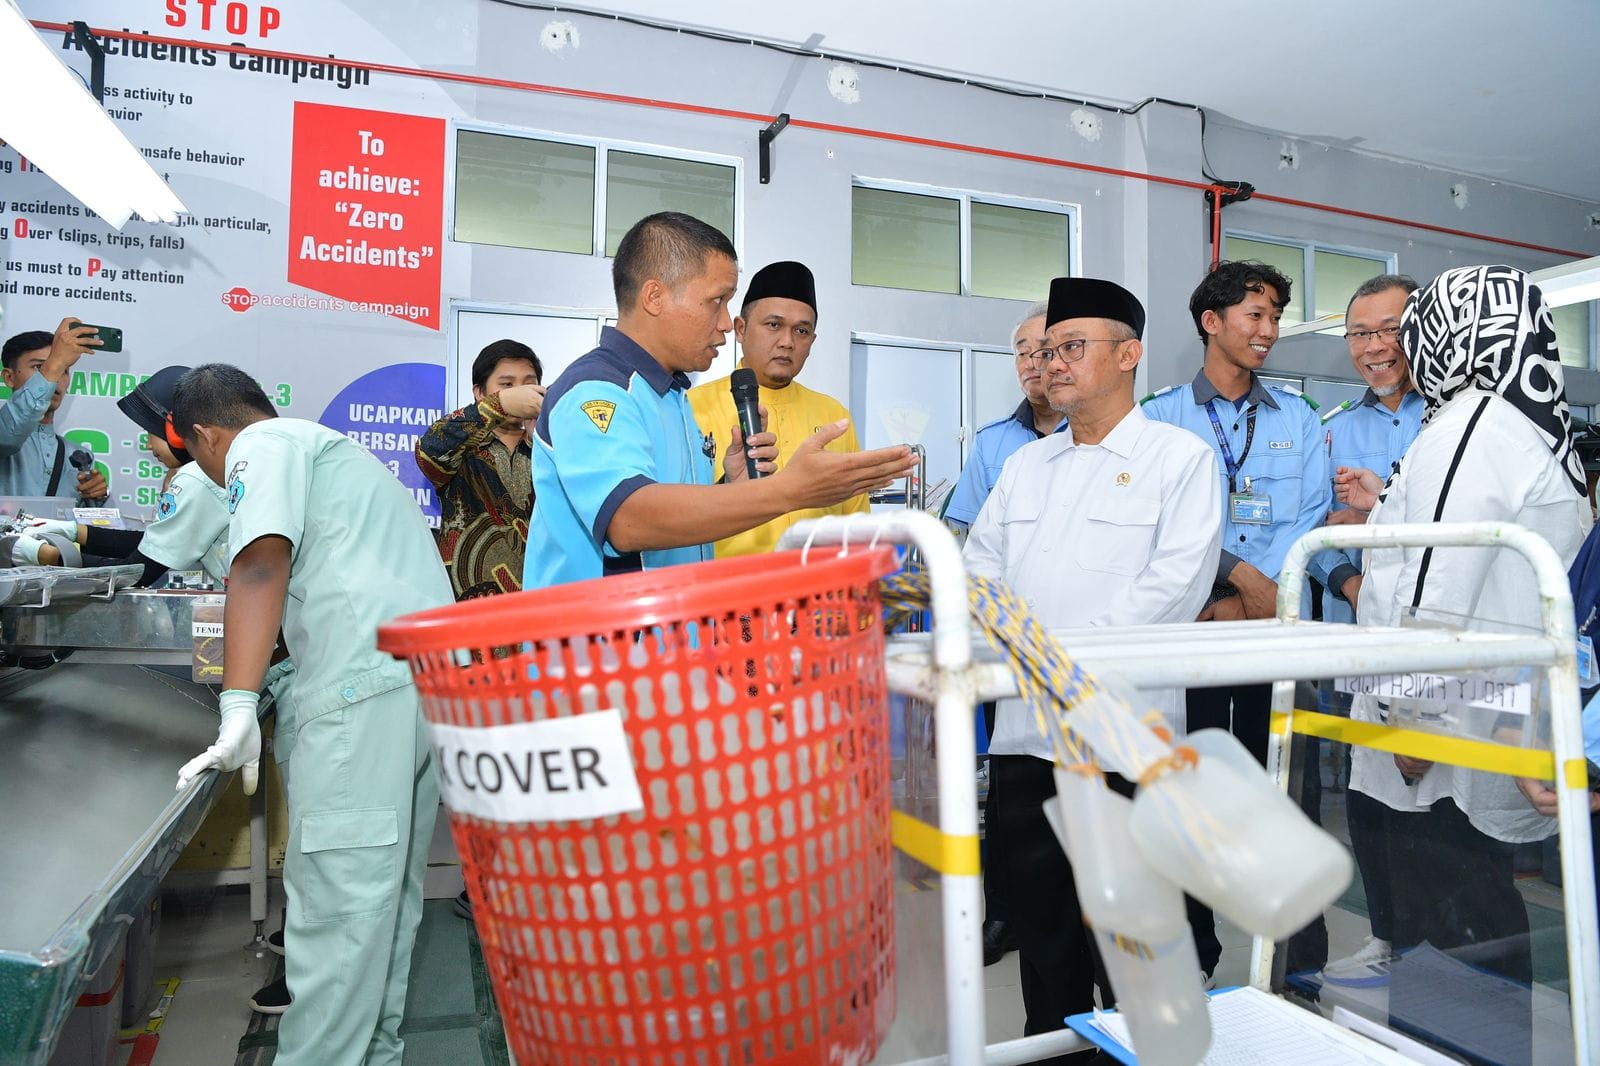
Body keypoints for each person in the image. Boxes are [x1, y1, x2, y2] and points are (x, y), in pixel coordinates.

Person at [1341, 265, 1591, 1065]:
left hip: (1451, 710)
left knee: (1452, 915)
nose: (1408, 342)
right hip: (1490, 698)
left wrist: (1408, 715)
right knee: (1477, 908)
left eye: (1420, 325)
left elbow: (1431, 576)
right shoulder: (1525, 423)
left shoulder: (1474, 422)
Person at [170, 364, 453, 1066]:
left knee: (338, 921)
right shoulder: (331, 451)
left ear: (208, 435)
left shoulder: (258, 449)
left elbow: (259, 564)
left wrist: (237, 704)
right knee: (383, 911)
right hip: (418, 690)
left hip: (357, 698)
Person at [963, 277, 1221, 1047]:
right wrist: (1030, 659)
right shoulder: (1025, 467)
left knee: (1140, 946)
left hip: (1124, 744)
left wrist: (1051, 660)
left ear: (1129, 355)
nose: (1054, 364)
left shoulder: (1180, 460)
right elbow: (979, 575)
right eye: (1049, 350)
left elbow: (1173, 589)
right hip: (1025, 744)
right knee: (1045, 947)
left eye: (1073, 348)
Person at [523, 211, 916, 590]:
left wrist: (730, 484)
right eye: (717, 300)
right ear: (655, 297)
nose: (727, 323)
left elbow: (681, 523)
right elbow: (629, 520)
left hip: (673, 645)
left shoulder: (668, 395)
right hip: (600, 653)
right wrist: (790, 490)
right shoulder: (598, 391)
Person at [1142, 261, 1330, 766]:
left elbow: (1312, 509)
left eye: (1275, 318)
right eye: (1255, 315)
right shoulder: (1159, 416)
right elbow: (1156, 520)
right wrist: (1237, 583)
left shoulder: (1299, 415)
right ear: (1211, 322)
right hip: (1198, 616)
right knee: (1193, 767)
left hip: (1277, 617)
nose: (1268, 331)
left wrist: (1263, 588)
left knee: (1280, 767)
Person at [1302, 274, 1424, 984]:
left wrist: (1375, 512)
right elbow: (1321, 532)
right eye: (1360, 334)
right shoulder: (1339, 427)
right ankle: (1386, 936)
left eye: (1390, 330)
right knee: (1371, 791)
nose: (1375, 348)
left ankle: (1446, 950)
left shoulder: (1453, 418)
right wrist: (1352, 580)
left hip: (1448, 635)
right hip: (1367, 633)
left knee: (1440, 795)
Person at [687, 260, 869, 557]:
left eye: (801, 331)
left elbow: (857, 526)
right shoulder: (693, 409)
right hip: (725, 595)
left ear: (812, 341)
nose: (787, 342)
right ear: (741, 329)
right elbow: (671, 523)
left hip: (818, 597)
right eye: (774, 325)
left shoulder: (834, 417)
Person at [416, 338, 545, 598]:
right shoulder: (462, 448)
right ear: (480, 393)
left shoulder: (553, 449)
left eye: (529, 384)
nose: (520, 393)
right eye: (507, 385)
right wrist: (501, 405)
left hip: (542, 608)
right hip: (467, 612)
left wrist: (543, 439)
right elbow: (429, 449)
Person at [943, 301, 1067, 530]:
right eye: (1022, 353)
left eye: (1044, 352)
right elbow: (966, 528)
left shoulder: (1093, 431)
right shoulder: (989, 441)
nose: (1030, 363)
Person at [0, 319, 110, 502]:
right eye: (39, 367)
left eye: (64, 370)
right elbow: (9, 436)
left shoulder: (79, 456)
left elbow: (86, 527)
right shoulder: (5, 435)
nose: (57, 375)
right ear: (9, 377)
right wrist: (56, 362)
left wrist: (98, 496)